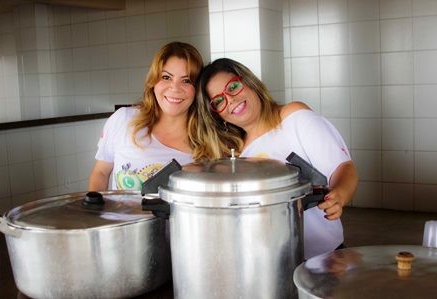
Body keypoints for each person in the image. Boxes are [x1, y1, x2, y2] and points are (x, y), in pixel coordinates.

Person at [196, 58, 358, 259]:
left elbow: (343, 168)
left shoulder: (293, 117)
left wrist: (339, 195)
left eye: (233, 87)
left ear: (249, 82)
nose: (230, 100)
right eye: (218, 101)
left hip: (324, 257)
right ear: (217, 115)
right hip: (267, 263)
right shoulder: (234, 155)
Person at [88, 42, 205, 191]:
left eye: (186, 80)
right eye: (166, 77)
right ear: (153, 81)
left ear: (197, 89)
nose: (175, 88)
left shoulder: (208, 140)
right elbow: (100, 173)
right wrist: (96, 213)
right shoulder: (123, 120)